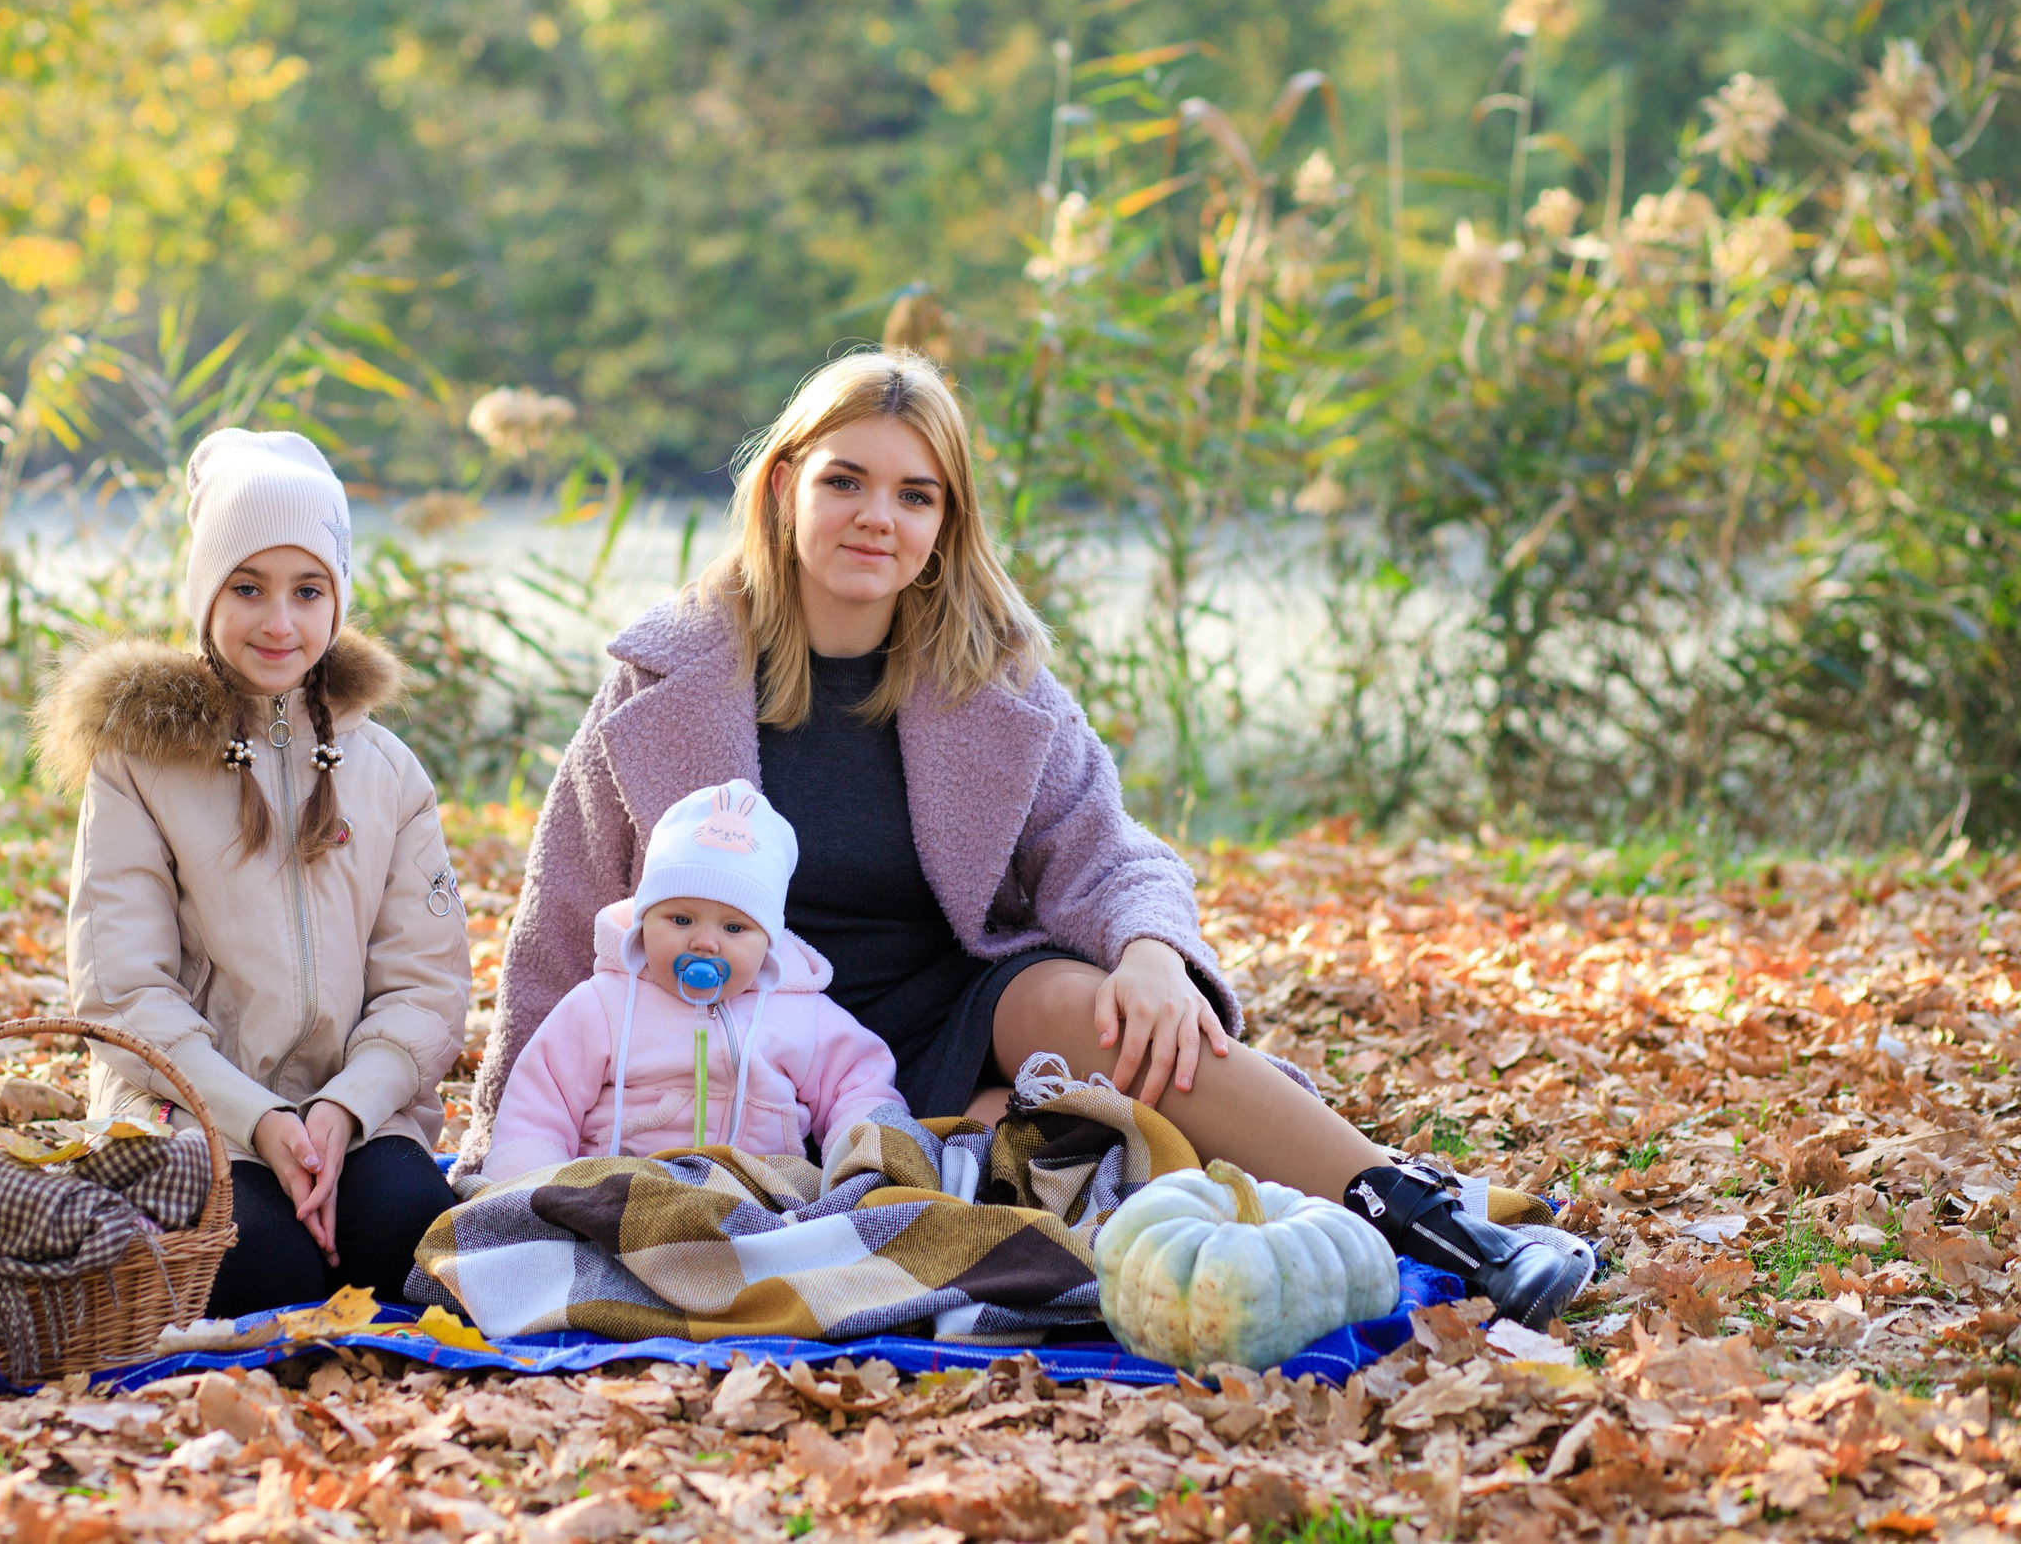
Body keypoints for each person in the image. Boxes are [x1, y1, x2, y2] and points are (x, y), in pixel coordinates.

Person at [463, 350, 1576, 1326]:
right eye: (845, 480)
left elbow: (1112, 853)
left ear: (944, 524)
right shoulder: (666, 680)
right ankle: (990, 1151)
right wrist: (495, 1166)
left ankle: (1426, 1220)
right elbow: (564, 912)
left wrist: (1149, 954)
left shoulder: (992, 683)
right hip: (740, 1035)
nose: (875, 519)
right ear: (784, 484)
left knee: (1109, 1009)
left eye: (915, 495)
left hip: (950, 1016)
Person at [37, 428, 469, 1317]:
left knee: (411, 1234)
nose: (279, 621)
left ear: (336, 600)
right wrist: (258, 1118)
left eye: (307, 590)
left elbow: (424, 988)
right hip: (191, 1112)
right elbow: (122, 992)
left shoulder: (386, 771)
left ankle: (344, 1182)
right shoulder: (138, 764)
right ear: (205, 595)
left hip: (346, 1115)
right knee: (262, 1269)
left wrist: (341, 1111)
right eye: (248, 587)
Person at [481, 781, 905, 1182]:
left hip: (759, 1195)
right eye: (681, 919)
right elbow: (540, 1104)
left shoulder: (802, 1013)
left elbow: (860, 1084)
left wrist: (866, 1155)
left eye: (735, 928)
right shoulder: (604, 1005)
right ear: (645, 922)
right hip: (620, 1186)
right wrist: (528, 1188)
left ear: (768, 942)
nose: (705, 943)